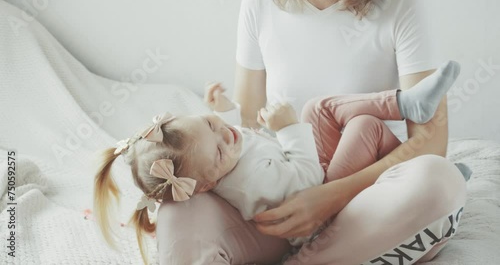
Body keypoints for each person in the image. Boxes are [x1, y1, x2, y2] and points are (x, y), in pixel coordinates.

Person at [156, 0, 468, 264]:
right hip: (279, 204)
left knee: (438, 179)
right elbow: (246, 126)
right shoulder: (259, 1)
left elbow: (430, 142)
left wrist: (328, 197)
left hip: (367, 205)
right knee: (177, 206)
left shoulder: (404, 1)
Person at [94, 60, 460, 263]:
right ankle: (405, 146)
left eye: (210, 124)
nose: (227, 136)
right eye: (219, 149)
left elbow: (239, 138)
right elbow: (307, 182)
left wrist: (224, 110)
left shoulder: (221, 156)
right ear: (206, 185)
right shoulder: (249, 182)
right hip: (319, 203)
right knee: (351, 123)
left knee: (325, 111)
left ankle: (408, 103)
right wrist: (288, 130)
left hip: (314, 180)